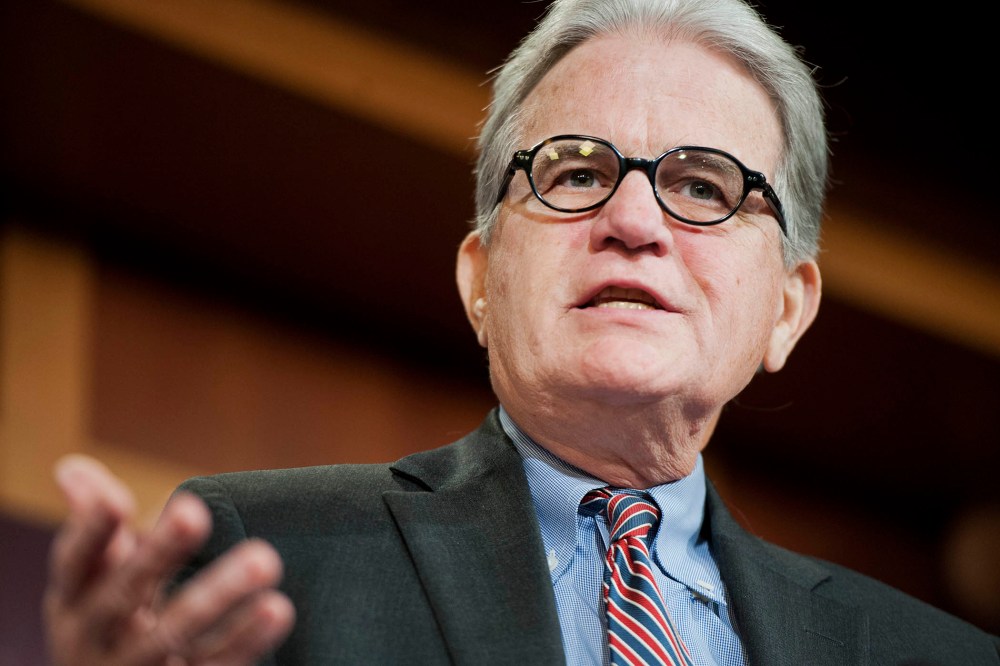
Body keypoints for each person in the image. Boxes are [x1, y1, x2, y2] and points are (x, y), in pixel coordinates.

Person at [43, 0, 1000, 663]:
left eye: (703, 186)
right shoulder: (269, 559)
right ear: (482, 281)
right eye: (577, 174)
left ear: (787, 307)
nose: (635, 222)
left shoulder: (939, 657)